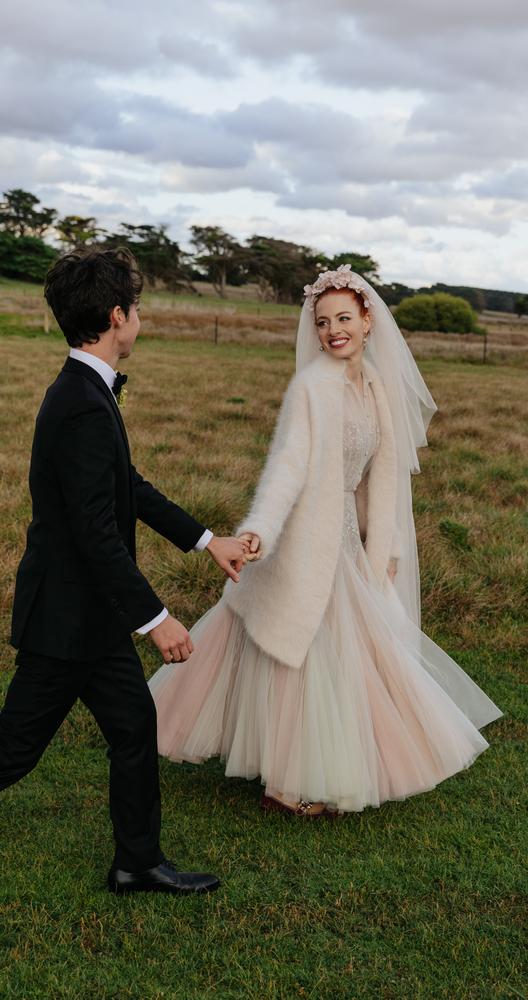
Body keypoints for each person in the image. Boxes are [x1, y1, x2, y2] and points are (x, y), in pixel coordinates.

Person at [149, 265, 503, 816]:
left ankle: (305, 769)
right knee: (304, 648)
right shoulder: (315, 388)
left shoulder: (376, 390)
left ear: (367, 322)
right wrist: (260, 528)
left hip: (343, 535)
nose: (332, 329)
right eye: (322, 321)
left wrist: (380, 548)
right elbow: (288, 466)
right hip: (301, 533)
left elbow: (376, 478)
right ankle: (286, 786)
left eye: (343, 318)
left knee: (338, 647)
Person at [0, 246, 249, 892]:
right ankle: (137, 860)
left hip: (93, 618)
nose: (139, 319)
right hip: (66, 621)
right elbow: (95, 534)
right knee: (14, 749)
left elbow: (126, 488)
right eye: (136, 309)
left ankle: (136, 862)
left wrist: (205, 540)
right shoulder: (82, 402)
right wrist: (157, 619)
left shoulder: (86, 389)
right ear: (117, 316)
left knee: (135, 728)